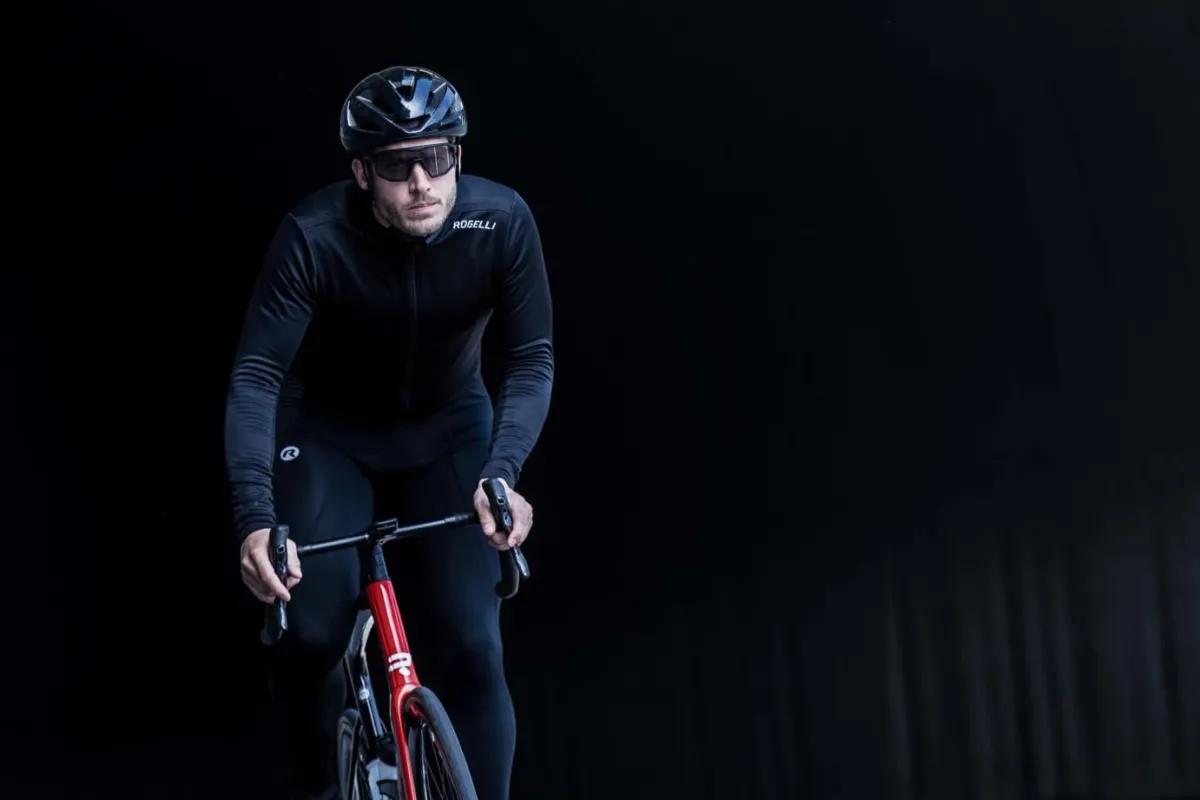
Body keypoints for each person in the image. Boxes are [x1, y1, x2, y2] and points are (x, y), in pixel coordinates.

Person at [224, 65, 554, 800]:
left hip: (449, 432)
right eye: (397, 166)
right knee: (312, 633)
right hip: (328, 437)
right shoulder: (312, 236)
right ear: (361, 172)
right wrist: (255, 518)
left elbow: (531, 357)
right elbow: (256, 377)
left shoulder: (502, 221)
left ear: (457, 156)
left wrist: (503, 471)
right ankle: (320, 786)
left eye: (434, 158)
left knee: (473, 643)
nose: (420, 183)